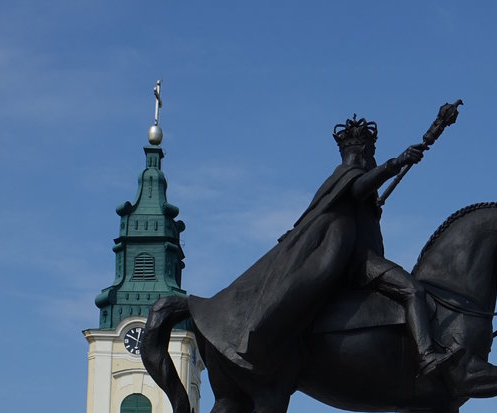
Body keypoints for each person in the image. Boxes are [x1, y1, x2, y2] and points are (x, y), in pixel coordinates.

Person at [189, 115, 450, 376]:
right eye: (372, 153)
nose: (373, 158)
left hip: (359, 258)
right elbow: (359, 188)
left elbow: (357, 198)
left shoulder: (338, 182)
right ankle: (427, 356)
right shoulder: (348, 175)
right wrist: (396, 162)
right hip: (361, 262)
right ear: (364, 151)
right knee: (413, 290)